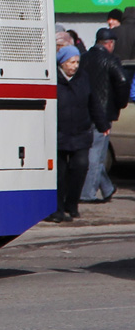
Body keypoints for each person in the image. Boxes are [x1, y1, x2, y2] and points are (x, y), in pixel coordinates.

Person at [52, 45, 108, 222]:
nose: (74, 66)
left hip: (80, 132)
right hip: (59, 134)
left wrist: (102, 124)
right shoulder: (53, 79)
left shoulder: (83, 78)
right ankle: (58, 209)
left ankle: (72, 204)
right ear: (62, 63)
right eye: (71, 62)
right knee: (59, 174)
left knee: (80, 167)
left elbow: (94, 103)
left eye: (77, 62)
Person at [80, 28, 129, 203]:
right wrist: (120, 103)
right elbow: (123, 82)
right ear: (109, 44)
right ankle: (87, 194)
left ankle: (107, 188)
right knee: (96, 154)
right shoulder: (111, 60)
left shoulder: (83, 59)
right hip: (104, 113)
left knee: (90, 152)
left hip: (84, 112)